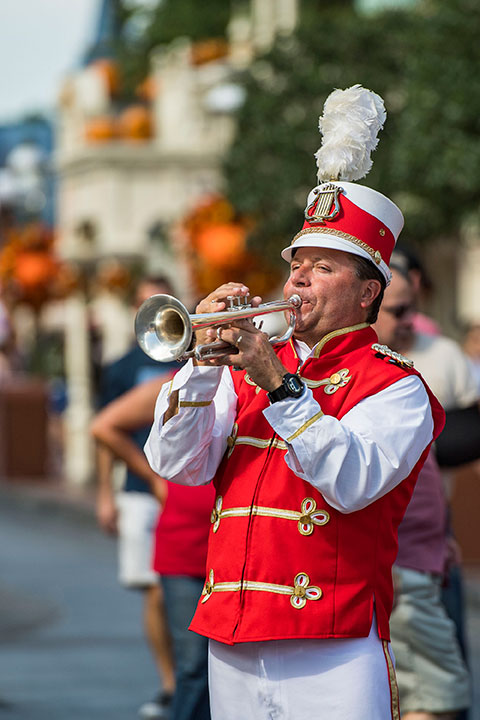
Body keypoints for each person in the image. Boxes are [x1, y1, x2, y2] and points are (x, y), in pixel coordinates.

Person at [143, 85, 445, 719]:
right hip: (231, 633)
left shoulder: (397, 386)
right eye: (297, 263)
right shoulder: (251, 369)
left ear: (369, 294)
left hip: (331, 645)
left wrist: (279, 382)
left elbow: (351, 482)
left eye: (324, 266)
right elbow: (178, 466)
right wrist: (201, 363)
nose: (298, 278)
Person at [373, 263, 473, 719]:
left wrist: (440, 535)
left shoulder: (392, 369)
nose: (409, 320)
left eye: (412, 308)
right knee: (437, 701)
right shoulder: (362, 377)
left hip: (422, 557)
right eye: (397, 310)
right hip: (401, 570)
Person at [91, 375, 213, 720]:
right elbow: (105, 425)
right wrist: (153, 477)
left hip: (237, 537)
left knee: (241, 666)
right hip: (185, 539)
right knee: (193, 665)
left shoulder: (259, 377)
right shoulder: (176, 382)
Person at [92, 275, 177, 720]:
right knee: (154, 589)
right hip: (143, 490)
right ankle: (169, 682)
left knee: (179, 588)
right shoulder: (123, 366)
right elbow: (106, 429)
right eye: (146, 303)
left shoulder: (187, 354)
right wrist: (107, 493)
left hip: (185, 489)